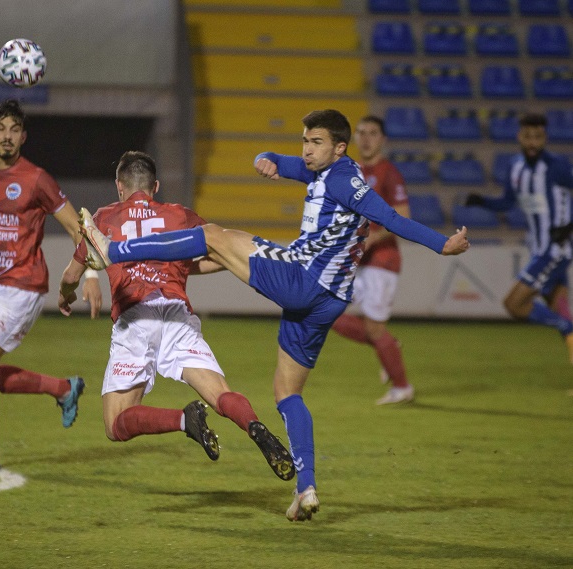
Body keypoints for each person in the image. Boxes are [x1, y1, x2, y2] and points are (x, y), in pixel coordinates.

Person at [78, 110, 469, 521]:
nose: (306, 150)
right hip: (328, 301)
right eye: (304, 140)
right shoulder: (324, 169)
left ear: (339, 148)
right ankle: (306, 490)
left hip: (301, 279)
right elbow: (289, 164)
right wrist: (268, 159)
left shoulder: (345, 180)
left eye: (314, 142)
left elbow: (389, 217)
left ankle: (115, 251)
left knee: (214, 236)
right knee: (287, 392)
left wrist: (442, 245)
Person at [57, 151, 295, 481]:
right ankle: (253, 424)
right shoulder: (179, 215)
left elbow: (71, 276)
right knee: (219, 392)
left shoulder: (103, 217)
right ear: (154, 186)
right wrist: (186, 268)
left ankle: (184, 420)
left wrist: (65, 296)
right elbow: (217, 253)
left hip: (135, 319)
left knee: (115, 423)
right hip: (176, 314)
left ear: (119, 187)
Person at [0, 99, 103, 471]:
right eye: (1, 129)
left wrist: (90, 274)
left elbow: (78, 228)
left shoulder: (37, 179)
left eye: (14, 130)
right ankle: (64, 388)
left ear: (23, 137)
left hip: (24, 286)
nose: (7, 136)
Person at [465, 112, 573, 363]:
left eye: (538, 137)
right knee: (560, 307)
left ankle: (568, 329)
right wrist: (482, 202)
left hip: (554, 250)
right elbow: (507, 203)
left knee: (514, 304)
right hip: (538, 249)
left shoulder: (557, 167)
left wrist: (568, 227)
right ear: (519, 137)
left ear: (545, 138)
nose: (533, 142)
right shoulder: (516, 167)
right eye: (528, 137)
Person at [330, 116, 414, 405]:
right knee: (325, 311)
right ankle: (388, 346)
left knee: (374, 328)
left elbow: (403, 216)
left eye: (373, 133)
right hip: (356, 260)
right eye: (361, 133)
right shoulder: (348, 171)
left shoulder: (389, 173)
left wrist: (373, 238)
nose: (366, 138)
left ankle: (402, 388)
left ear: (383, 139)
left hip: (382, 260)